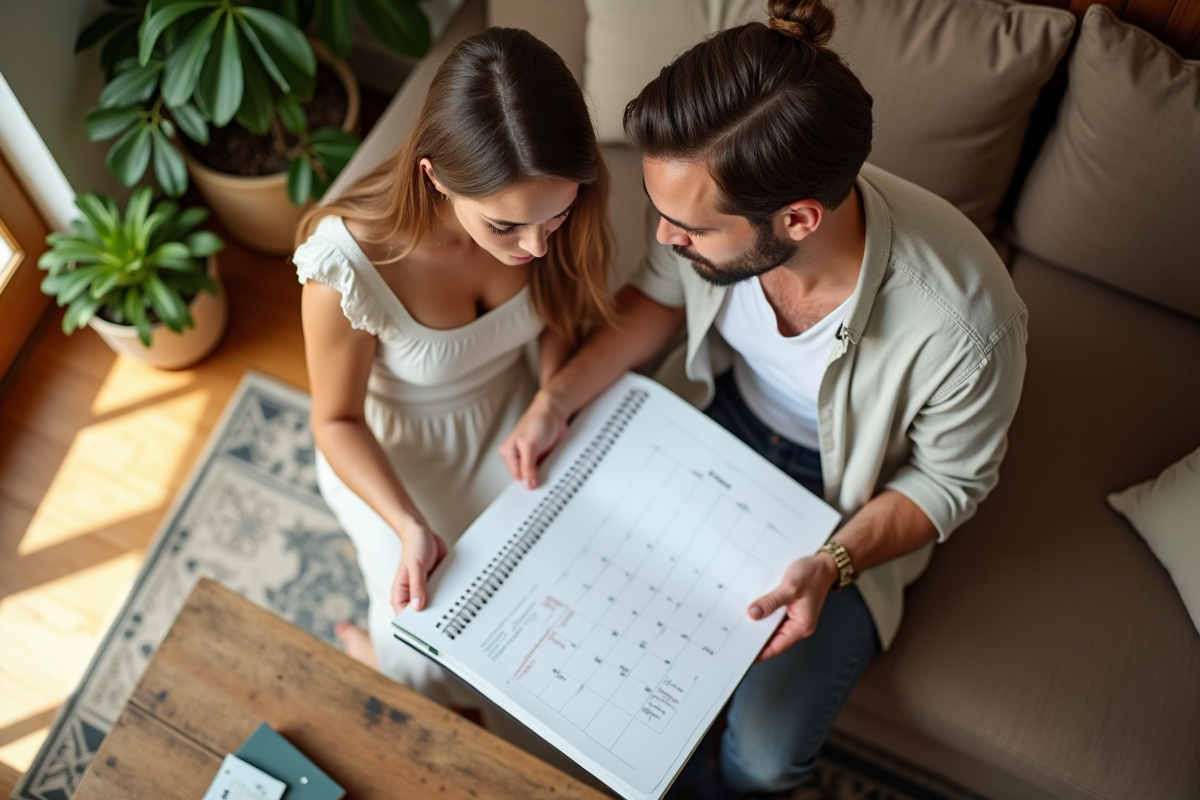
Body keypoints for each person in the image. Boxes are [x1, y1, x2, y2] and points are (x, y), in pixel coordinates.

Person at [499, 0, 1028, 795]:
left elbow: (950, 481)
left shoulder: (965, 323)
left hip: (848, 501)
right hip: (717, 423)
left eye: (691, 231)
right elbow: (660, 299)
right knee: (583, 660)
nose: (668, 239)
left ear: (799, 219)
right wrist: (558, 398)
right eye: (664, 215)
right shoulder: (704, 211)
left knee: (765, 757)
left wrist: (833, 563)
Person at [293, 26, 613, 707]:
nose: (533, 246)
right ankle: (382, 663)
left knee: (568, 607)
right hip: (396, 452)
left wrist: (552, 398)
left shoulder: (557, 205)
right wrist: (409, 525)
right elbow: (336, 418)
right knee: (422, 641)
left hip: (516, 413)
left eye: (551, 221)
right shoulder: (347, 269)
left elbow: (562, 318)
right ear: (433, 175)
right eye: (504, 227)